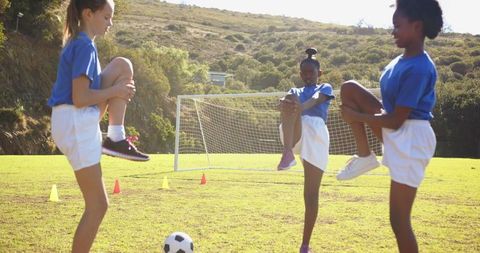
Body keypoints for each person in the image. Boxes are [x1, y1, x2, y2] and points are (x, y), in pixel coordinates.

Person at [336, 0, 442, 251]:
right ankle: (365, 156)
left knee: (398, 219)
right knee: (349, 89)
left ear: (417, 26)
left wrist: (357, 117)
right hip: (398, 128)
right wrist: (360, 112)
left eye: (397, 26)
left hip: (412, 138)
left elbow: (396, 120)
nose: (392, 31)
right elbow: (391, 111)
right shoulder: (400, 60)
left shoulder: (420, 67)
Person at [48, 0, 149, 252]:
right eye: (106, 17)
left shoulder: (83, 44)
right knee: (98, 206)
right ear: (88, 14)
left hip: (75, 119)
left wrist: (116, 89)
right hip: (74, 121)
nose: (110, 23)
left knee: (123, 66)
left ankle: (115, 136)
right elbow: (80, 98)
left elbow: (84, 98)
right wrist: (116, 90)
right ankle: (114, 139)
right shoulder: (84, 47)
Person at [277, 48, 335, 253]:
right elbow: (290, 104)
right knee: (290, 96)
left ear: (319, 73)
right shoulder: (295, 91)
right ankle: (287, 153)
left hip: (317, 135)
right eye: (304, 73)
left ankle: (304, 245)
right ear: (300, 74)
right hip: (296, 130)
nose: (308, 75)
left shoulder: (326, 87)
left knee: (310, 195)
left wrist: (299, 107)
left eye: (312, 72)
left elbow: (316, 100)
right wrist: (286, 106)